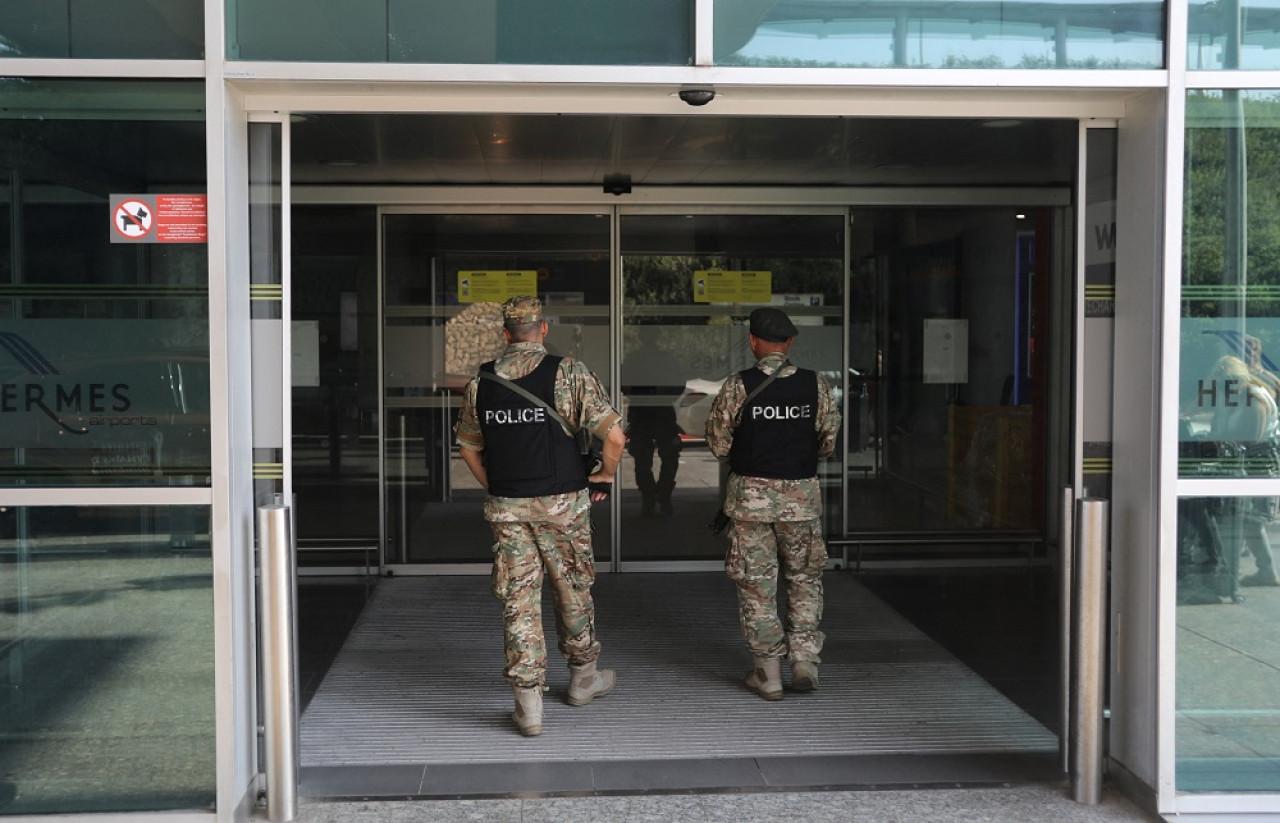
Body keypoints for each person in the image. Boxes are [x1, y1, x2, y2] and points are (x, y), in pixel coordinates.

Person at [455, 295, 627, 736]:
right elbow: (615, 437)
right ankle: (583, 679)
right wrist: (604, 476)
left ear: (505, 332)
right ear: (542, 329)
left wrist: (497, 486)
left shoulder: (482, 382)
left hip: (509, 509)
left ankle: (529, 705)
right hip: (563, 507)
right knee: (572, 589)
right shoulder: (569, 373)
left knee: (520, 601)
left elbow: (469, 448)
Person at [704, 307, 842, 700]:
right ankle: (803, 661)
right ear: (791, 342)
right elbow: (828, 443)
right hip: (801, 502)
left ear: (753, 342)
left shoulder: (739, 385)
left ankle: (768, 673)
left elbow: (718, 444)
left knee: (756, 586)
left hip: (751, 503)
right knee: (804, 580)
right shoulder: (816, 385)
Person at [1208, 354, 1280, 588]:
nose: (1225, 389)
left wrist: (1218, 438)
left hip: (1257, 467)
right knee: (1246, 519)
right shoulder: (1241, 395)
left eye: (1228, 383)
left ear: (1239, 378)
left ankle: (1263, 570)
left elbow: (1250, 438)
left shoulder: (1254, 400)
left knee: (1248, 520)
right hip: (1250, 466)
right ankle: (1255, 568)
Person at [621, 325, 684, 516]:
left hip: (647, 412)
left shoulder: (635, 359)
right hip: (656, 411)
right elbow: (679, 382)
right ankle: (659, 497)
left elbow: (624, 383)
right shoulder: (664, 359)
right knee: (666, 456)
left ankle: (651, 497)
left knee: (644, 458)